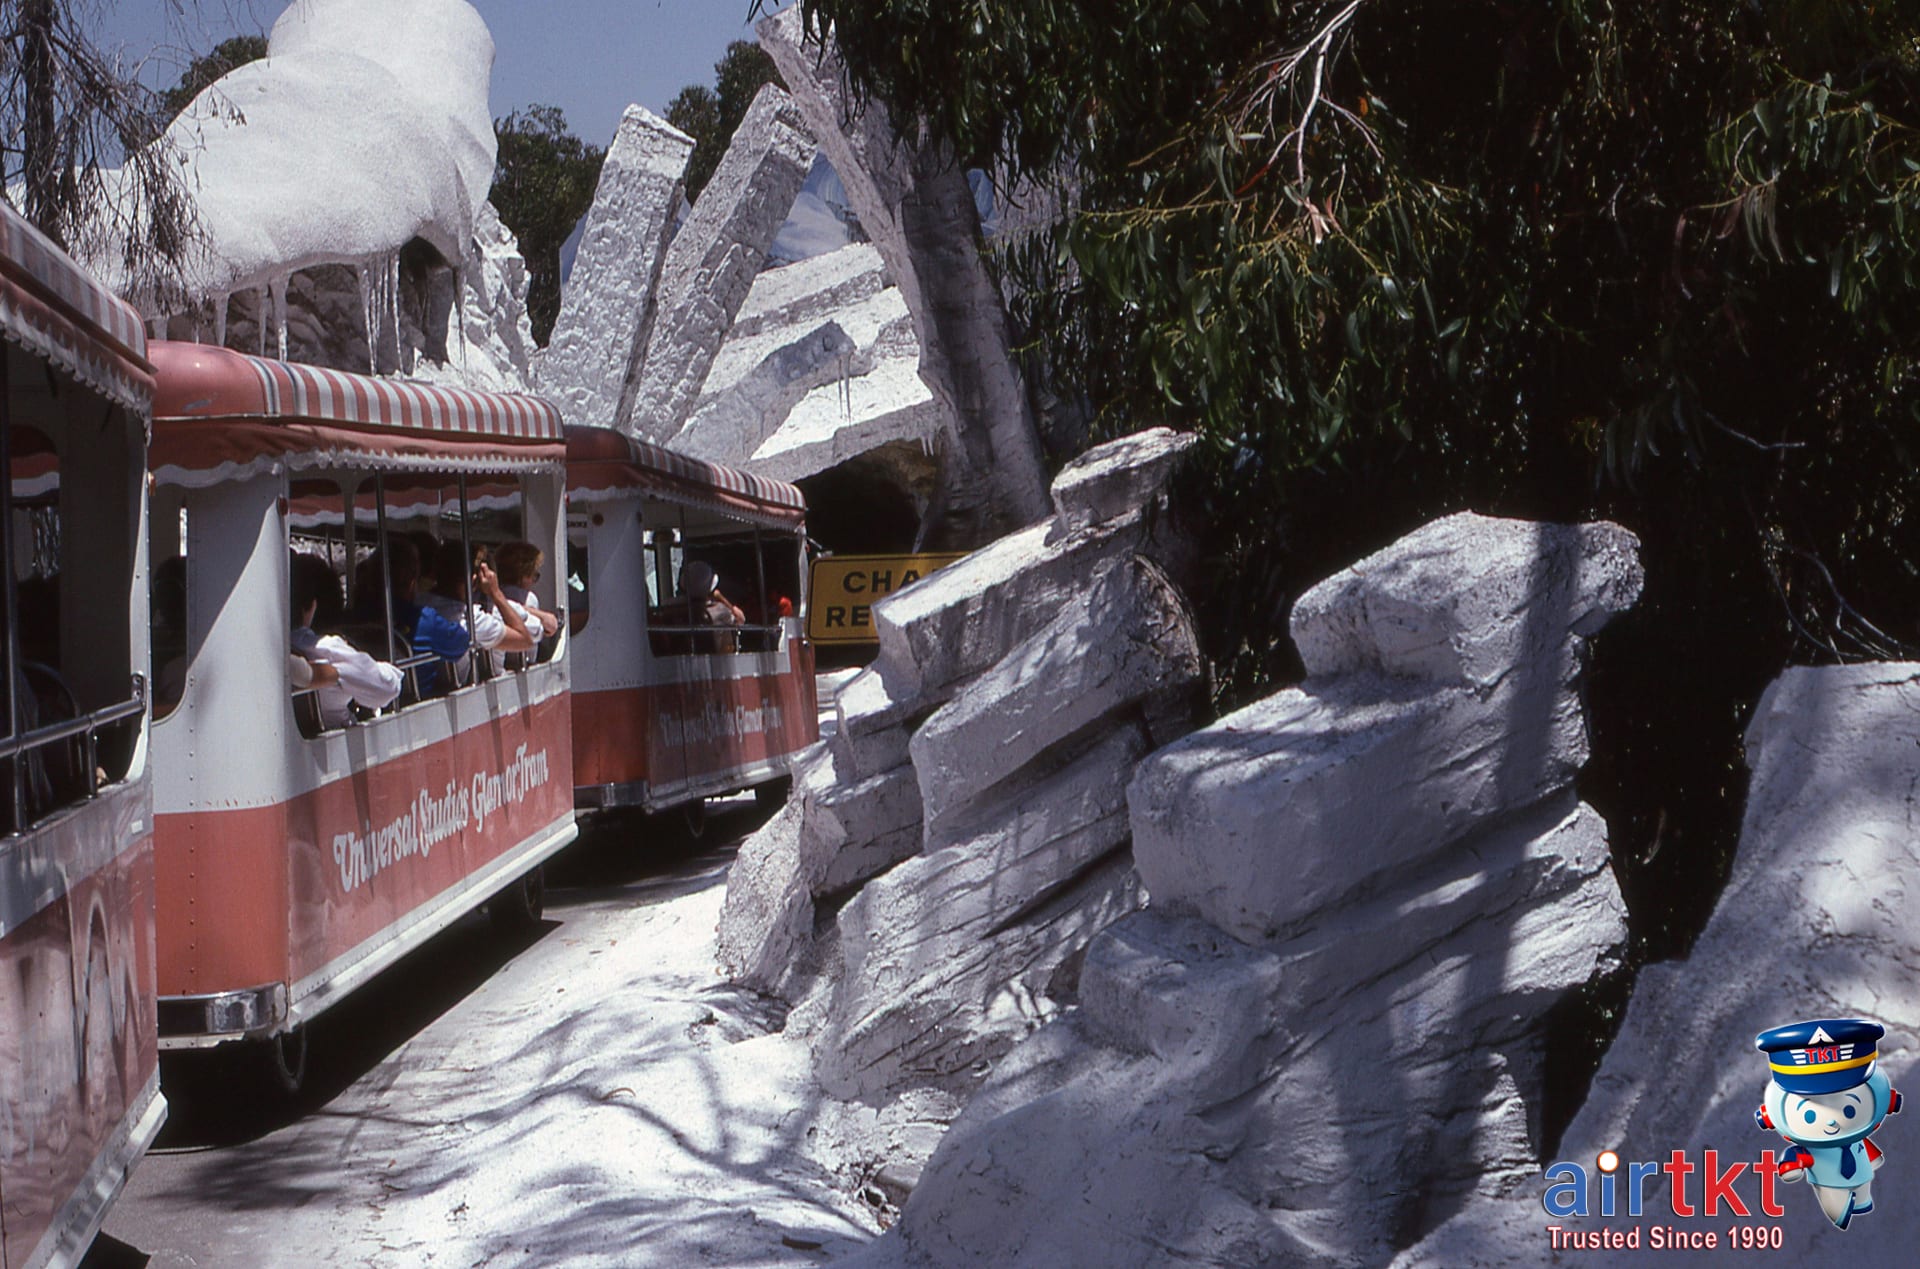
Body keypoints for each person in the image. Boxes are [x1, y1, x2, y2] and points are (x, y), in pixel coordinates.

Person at [290, 552, 403, 729]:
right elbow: (388, 688)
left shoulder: (267, 648)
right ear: (312, 605)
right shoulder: (328, 650)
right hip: (334, 738)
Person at [417, 541, 535, 687]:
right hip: (453, 690)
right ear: (474, 580)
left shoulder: (417, 603)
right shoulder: (472, 621)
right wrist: (495, 592)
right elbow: (525, 641)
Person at [493, 540, 562, 643]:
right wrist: (543, 617)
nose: (534, 581)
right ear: (523, 575)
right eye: (534, 575)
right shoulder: (529, 598)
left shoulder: (489, 595)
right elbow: (534, 634)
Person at [680, 560, 744, 653]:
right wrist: (722, 598)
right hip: (715, 657)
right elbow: (741, 619)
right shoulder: (720, 610)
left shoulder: (668, 604)